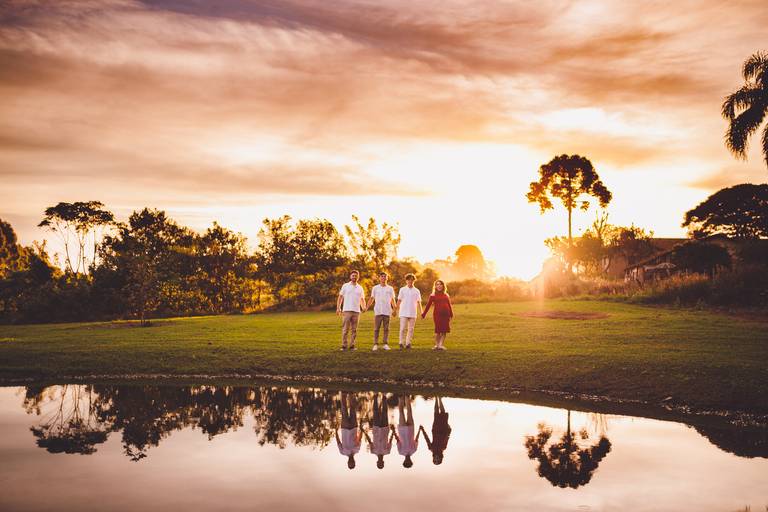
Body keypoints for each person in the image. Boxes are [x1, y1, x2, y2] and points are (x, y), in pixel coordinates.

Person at [363, 392, 395, 469]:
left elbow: (370, 441)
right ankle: (384, 396)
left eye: (379, 463)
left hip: (376, 429)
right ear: (383, 462)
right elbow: (390, 441)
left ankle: (375, 396)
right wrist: (393, 431)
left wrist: (364, 432)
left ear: (377, 462)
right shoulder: (387, 452)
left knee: (375, 412)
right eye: (381, 463)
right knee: (384, 412)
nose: (380, 462)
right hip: (385, 429)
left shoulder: (373, 451)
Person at [336, 270, 366, 351]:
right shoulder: (345, 286)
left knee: (354, 330)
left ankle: (352, 345)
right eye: (353, 275)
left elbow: (362, 299)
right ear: (350, 276)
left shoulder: (360, 287)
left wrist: (363, 307)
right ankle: (344, 345)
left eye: (356, 276)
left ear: (358, 277)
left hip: (356, 311)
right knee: (345, 329)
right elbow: (340, 297)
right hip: (347, 310)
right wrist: (338, 308)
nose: (354, 277)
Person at [367, 271, 396, 351]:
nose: (383, 277)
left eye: (385, 276)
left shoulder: (390, 288)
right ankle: (375, 344)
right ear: (379, 278)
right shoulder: (375, 288)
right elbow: (372, 298)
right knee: (376, 328)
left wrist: (394, 309)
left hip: (387, 311)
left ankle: (385, 344)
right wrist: (366, 307)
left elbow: (393, 300)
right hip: (378, 311)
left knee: (386, 328)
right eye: (382, 276)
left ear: (387, 278)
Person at [421, 279, 454, 350]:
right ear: (435, 286)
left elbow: (449, 305)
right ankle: (437, 345)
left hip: (446, 315)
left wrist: (451, 314)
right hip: (437, 315)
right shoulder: (432, 295)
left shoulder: (446, 295)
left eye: (440, 284)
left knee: (444, 330)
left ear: (443, 286)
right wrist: (424, 314)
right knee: (438, 330)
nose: (439, 286)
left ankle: (440, 345)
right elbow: (428, 305)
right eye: (437, 284)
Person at [419, 396, 451, 465]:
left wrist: (422, 430)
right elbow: (447, 438)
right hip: (443, 430)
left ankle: (436, 398)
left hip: (436, 429)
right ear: (440, 458)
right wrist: (449, 430)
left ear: (433, 458)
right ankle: (439, 398)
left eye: (434, 460)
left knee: (436, 413)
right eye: (437, 460)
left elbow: (427, 439)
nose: (436, 458)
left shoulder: (431, 449)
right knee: (443, 413)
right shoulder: (443, 448)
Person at [335, 392, 362, 469]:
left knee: (344, 410)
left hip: (345, 428)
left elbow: (338, 441)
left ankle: (343, 394)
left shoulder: (343, 452)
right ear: (354, 462)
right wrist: (360, 428)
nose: (351, 462)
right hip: (354, 427)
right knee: (353, 409)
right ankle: (351, 394)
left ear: (347, 462)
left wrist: (335, 431)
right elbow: (359, 439)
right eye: (352, 463)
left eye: (350, 463)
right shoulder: (357, 450)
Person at [396, 273, 422, 349]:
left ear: (414, 281)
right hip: (403, 312)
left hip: (413, 312)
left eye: (412, 280)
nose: (410, 281)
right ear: (406, 280)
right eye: (408, 280)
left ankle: (408, 343)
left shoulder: (417, 291)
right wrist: (395, 310)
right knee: (402, 328)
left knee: (411, 329)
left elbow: (419, 302)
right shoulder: (402, 289)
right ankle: (401, 342)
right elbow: (399, 300)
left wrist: (421, 311)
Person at [393, 395, 418, 468]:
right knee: (409, 412)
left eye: (406, 462)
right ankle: (407, 397)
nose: (407, 461)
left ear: (404, 461)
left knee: (401, 412)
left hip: (402, 430)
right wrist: (420, 430)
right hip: (411, 429)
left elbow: (397, 440)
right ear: (411, 461)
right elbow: (416, 439)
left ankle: (400, 397)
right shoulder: (414, 450)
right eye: (409, 462)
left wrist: (394, 431)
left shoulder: (400, 452)